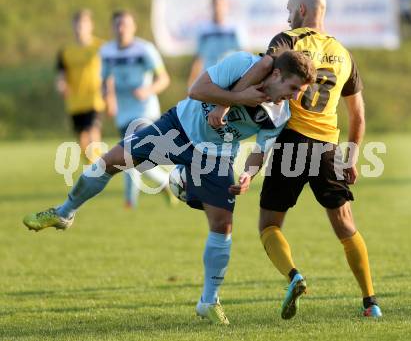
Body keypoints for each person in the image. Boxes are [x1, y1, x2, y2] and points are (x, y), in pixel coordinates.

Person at [23, 49, 316, 325]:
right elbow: (196, 91)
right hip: (178, 127)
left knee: (223, 224)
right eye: (293, 88)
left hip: (215, 154)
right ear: (276, 75)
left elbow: (260, 151)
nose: (294, 97)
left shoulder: (281, 114)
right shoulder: (241, 64)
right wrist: (235, 99)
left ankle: (209, 301)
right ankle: (64, 213)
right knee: (109, 162)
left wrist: (249, 176)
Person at [223, 0, 382, 319]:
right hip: (327, 147)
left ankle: (294, 275)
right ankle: (371, 302)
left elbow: (266, 76)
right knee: (345, 224)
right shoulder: (343, 53)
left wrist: (228, 102)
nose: (287, 15)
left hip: (290, 141)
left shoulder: (288, 40)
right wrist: (351, 156)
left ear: (303, 11)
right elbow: (358, 115)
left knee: (269, 224)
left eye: (290, 9)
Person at [100, 10, 175, 208]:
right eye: (117, 24)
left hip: (144, 111)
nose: (121, 28)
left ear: (133, 27)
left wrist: (148, 89)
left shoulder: (145, 49)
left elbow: (163, 78)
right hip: (123, 113)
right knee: (128, 157)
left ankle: (161, 185)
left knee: (134, 155)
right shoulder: (107, 51)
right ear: (112, 27)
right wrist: (109, 99)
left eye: (125, 24)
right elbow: (104, 80)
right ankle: (134, 199)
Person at [56, 9, 105, 162]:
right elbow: (61, 74)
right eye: (77, 24)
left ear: (91, 25)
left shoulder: (101, 47)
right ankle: (93, 165)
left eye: (84, 24)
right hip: (75, 101)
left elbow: (109, 73)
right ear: (73, 26)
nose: (80, 27)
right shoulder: (66, 51)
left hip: (95, 99)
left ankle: (100, 167)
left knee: (93, 132)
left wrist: (109, 93)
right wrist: (61, 84)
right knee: (83, 141)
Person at [187, 0, 242, 87]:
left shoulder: (235, 28)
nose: (218, 8)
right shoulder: (203, 29)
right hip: (209, 80)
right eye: (216, 4)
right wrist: (191, 84)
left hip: (231, 79)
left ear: (227, 6)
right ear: (211, 6)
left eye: (221, 4)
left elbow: (244, 55)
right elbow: (199, 59)